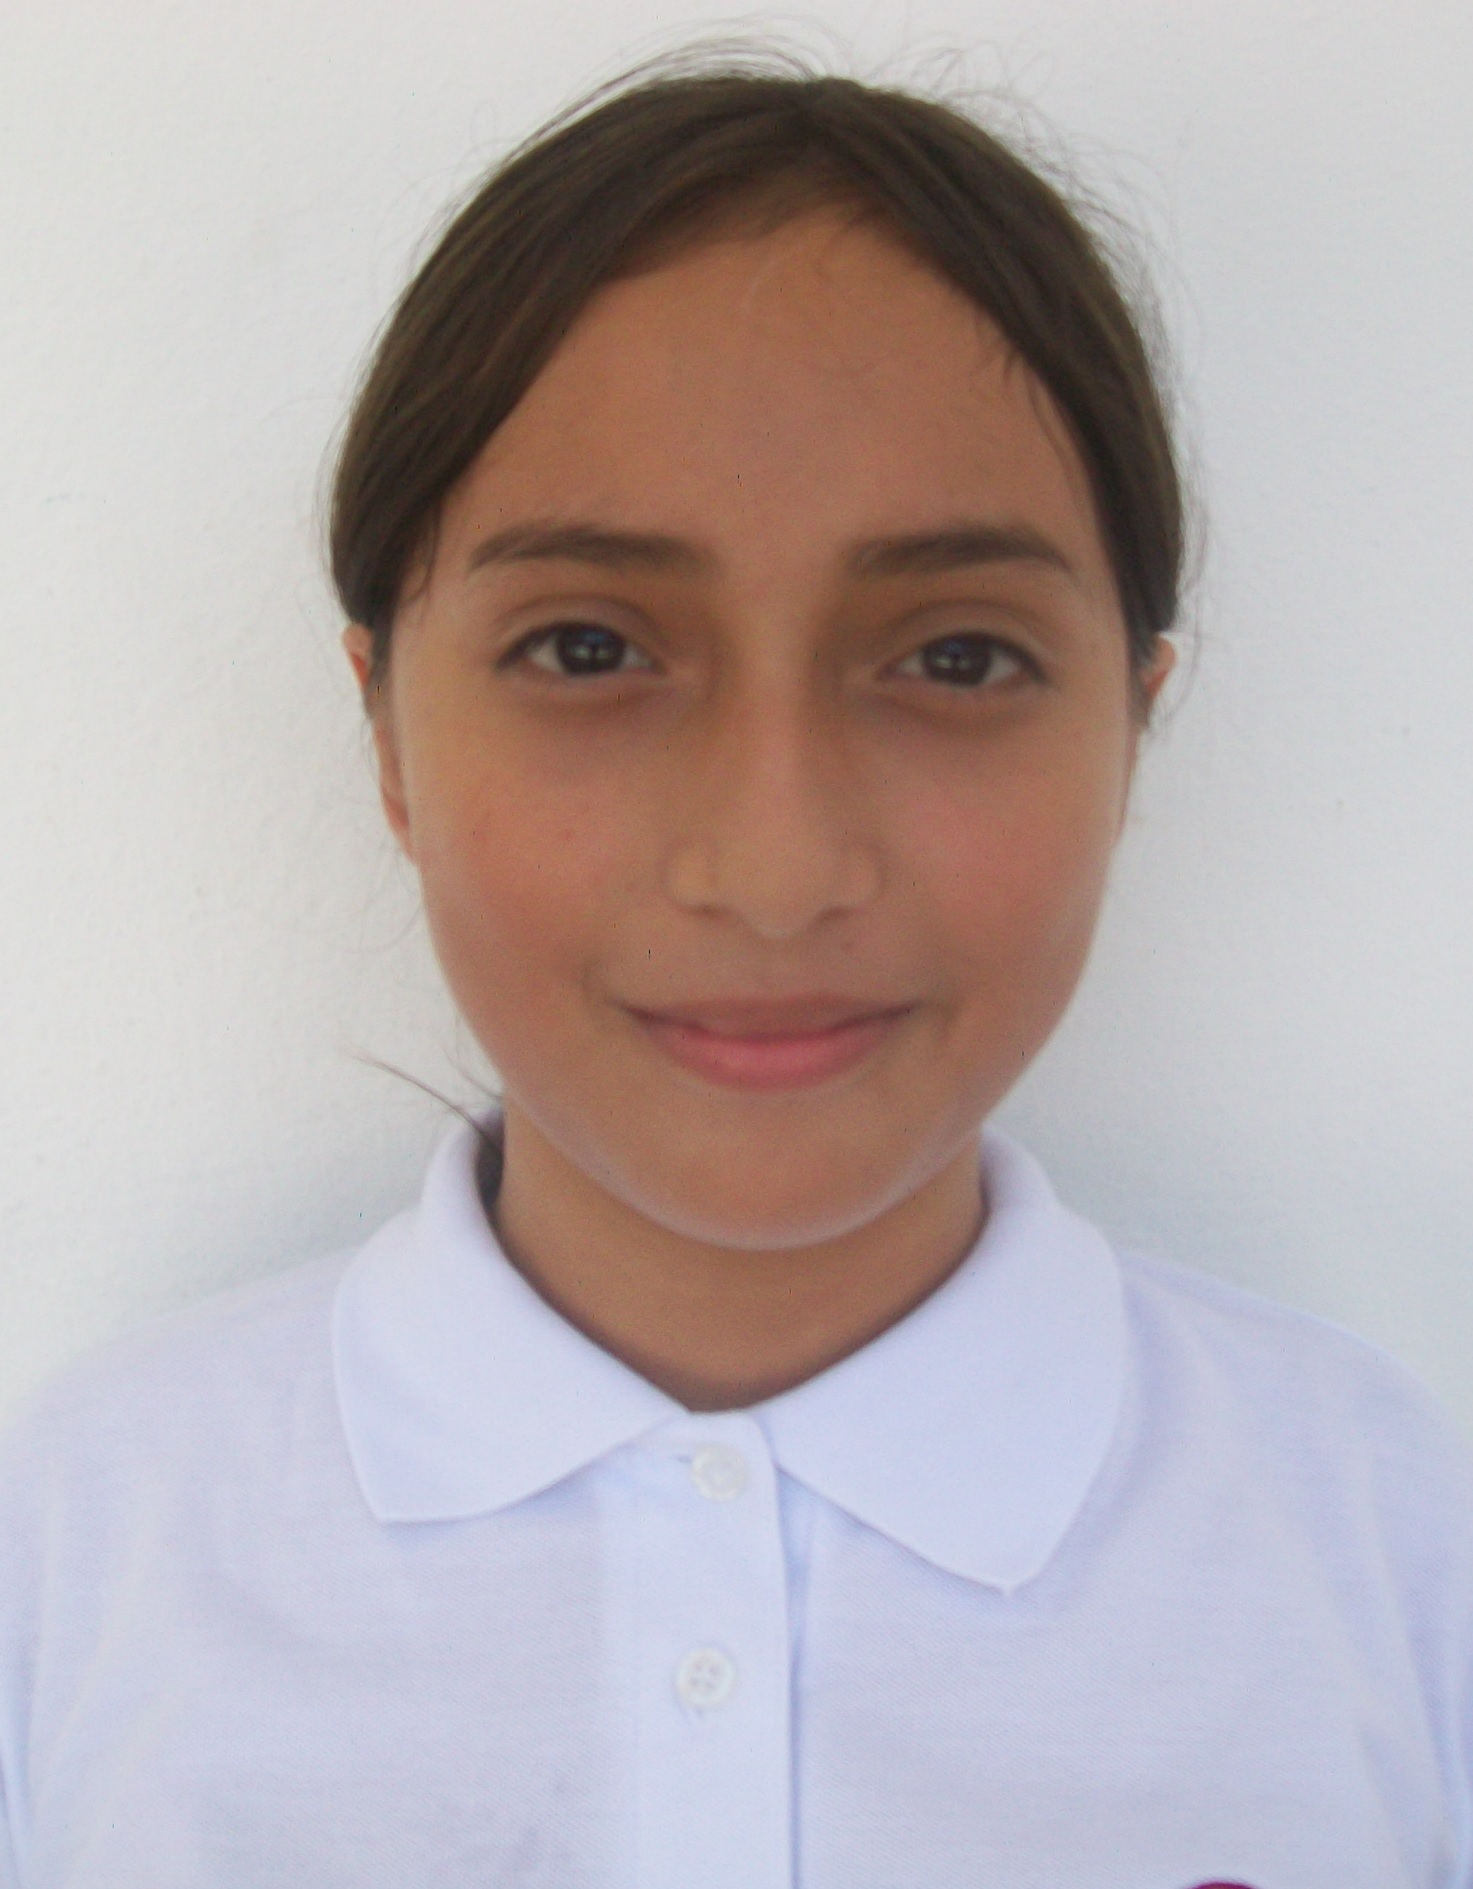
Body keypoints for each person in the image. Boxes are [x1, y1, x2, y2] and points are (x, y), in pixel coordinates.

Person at [1, 54, 1470, 1889]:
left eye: (954, 659)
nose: (774, 872)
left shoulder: (1393, 1549)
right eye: (588, 646)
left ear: (1130, 726)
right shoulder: (82, 1549)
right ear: (384, 733)